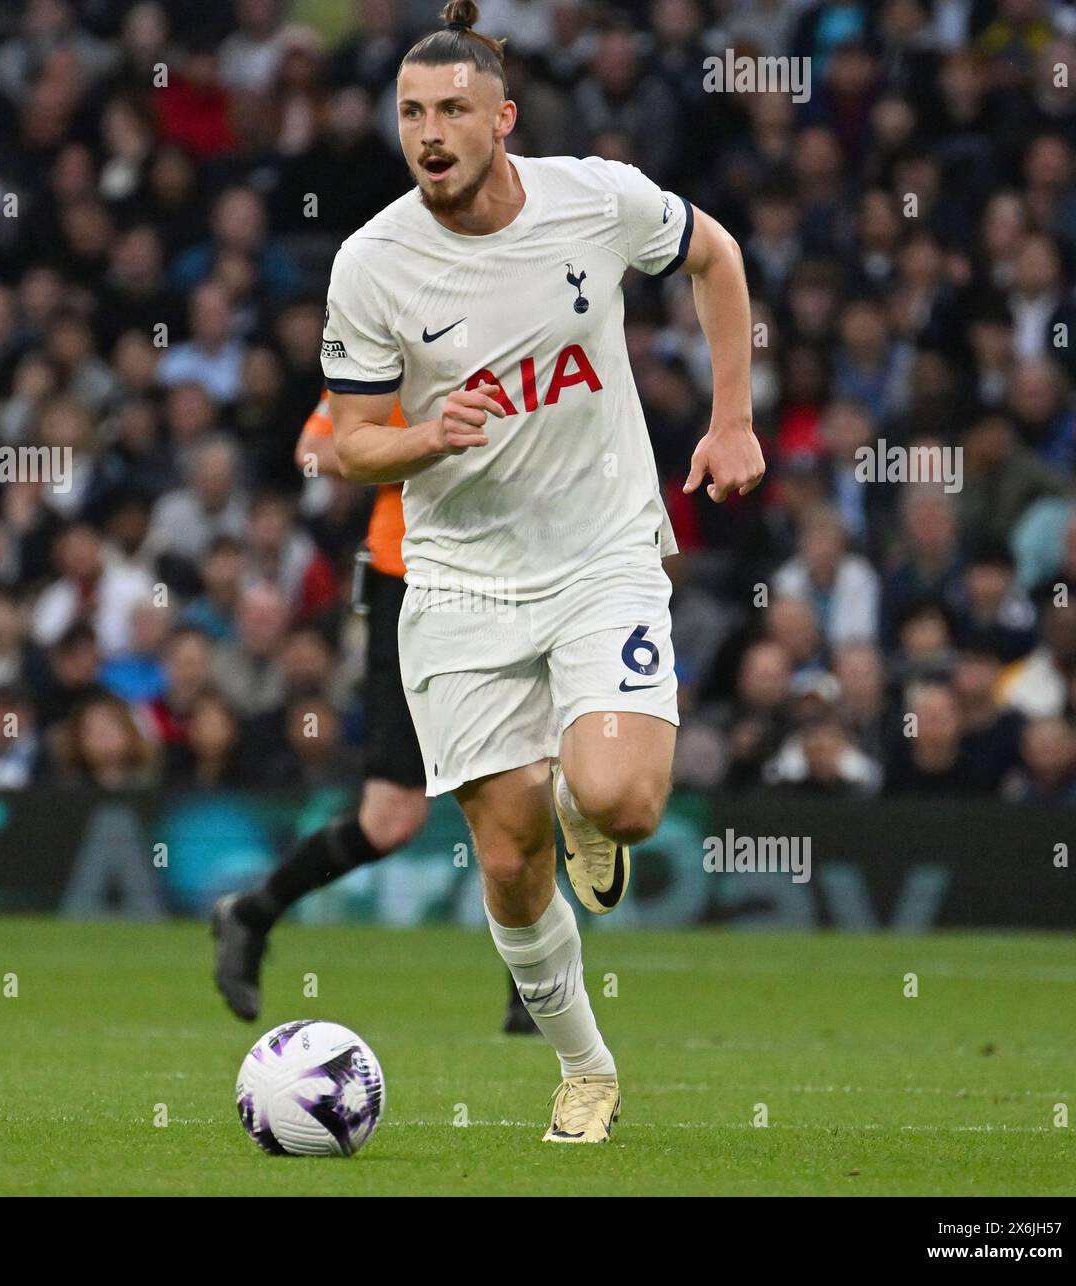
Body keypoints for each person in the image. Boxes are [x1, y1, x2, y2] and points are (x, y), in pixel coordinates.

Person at [321, 1, 762, 1142]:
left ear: (502, 118)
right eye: (412, 111)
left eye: (453, 110)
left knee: (624, 796)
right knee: (509, 854)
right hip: (459, 580)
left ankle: (588, 801)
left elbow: (714, 254)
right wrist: (428, 436)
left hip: (600, 553)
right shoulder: (370, 264)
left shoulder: (597, 199)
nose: (429, 131)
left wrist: (729, 420)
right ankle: (586, 1068)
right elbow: (349, 442)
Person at [213, 389, 539, 1035]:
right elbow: (313, 451)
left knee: (520, 781)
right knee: (391, 818)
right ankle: (252, 912)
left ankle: (531, 990)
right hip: (409, 585)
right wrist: (422, 443)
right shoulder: (393, 346)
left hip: (508, 583)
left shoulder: (521, 333)